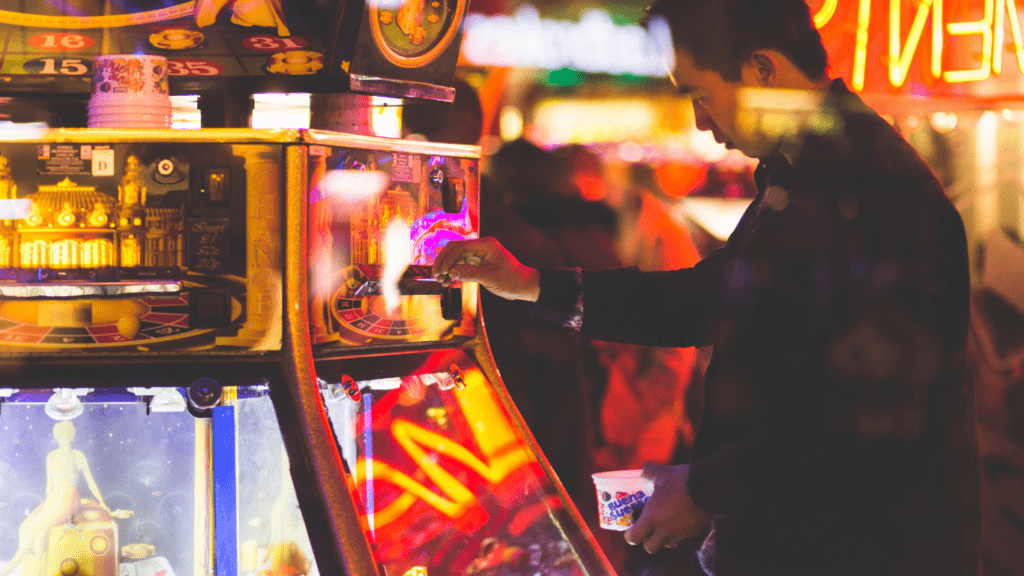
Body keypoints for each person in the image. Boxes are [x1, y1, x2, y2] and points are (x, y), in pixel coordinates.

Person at [431, 0, 978, 574]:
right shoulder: (806, 172)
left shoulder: (877, 192)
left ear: (762, 71)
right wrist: (529, 285)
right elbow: (705, 300)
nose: (698, 121)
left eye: (699, 94)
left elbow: (870, 413)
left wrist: (705, 488)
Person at [1, 421, 112, 576]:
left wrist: (102, 503)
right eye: (61, 431)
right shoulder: (52, 456)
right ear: (56, 435)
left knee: (34, 525)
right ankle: (40, 572)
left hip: (70, 502)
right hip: (54, 500)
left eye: (68, 431)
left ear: (73, 435)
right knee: (39, 532)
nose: (64, 434)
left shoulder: (77, 455)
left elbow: (91, 481)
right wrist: (47, 508)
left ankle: (10, 567)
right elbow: (49, 487)